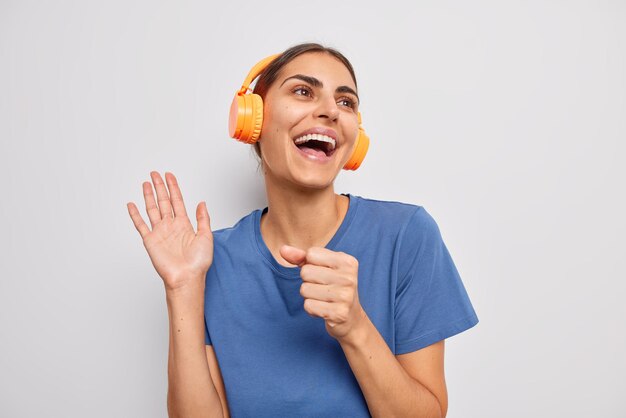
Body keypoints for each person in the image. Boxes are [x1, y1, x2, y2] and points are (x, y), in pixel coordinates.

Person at [127, 42, 479, 418]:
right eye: (303, 91)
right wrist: (182, 289)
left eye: (346, 102)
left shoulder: (407, 235)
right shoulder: (210, 259)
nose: (329, 110)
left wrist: (354, 326)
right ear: (253, 119)